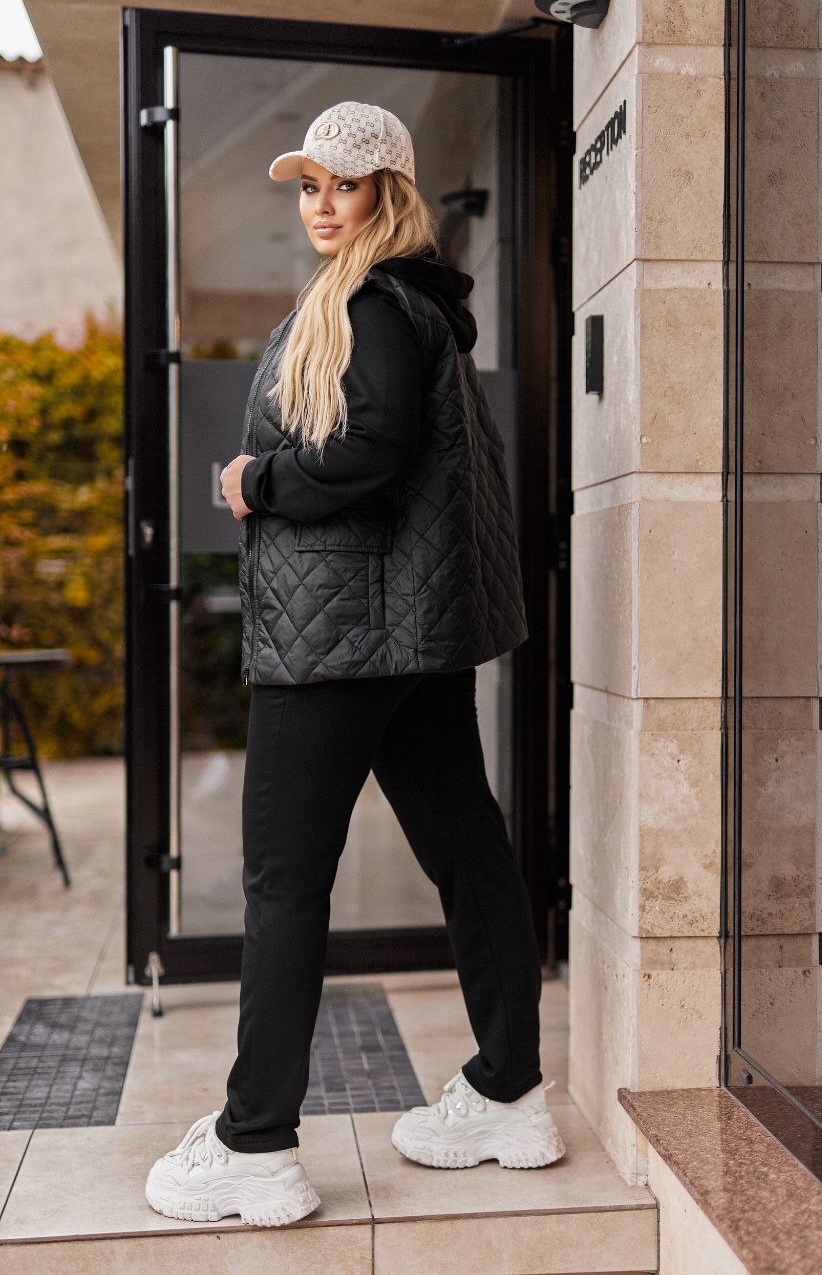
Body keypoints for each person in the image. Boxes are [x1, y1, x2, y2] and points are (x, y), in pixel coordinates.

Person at [145, 101, 565, 1230]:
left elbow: (371, 449)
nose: (321, 205)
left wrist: (256, 481)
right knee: (468, 849)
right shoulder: (409, 302)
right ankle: (508, 1092)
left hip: (336, 639)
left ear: (390, 190)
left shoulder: (374, 302)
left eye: (344, 183)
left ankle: (254, 1142)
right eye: (308, 186)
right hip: (404, 632)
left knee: (285, 881)